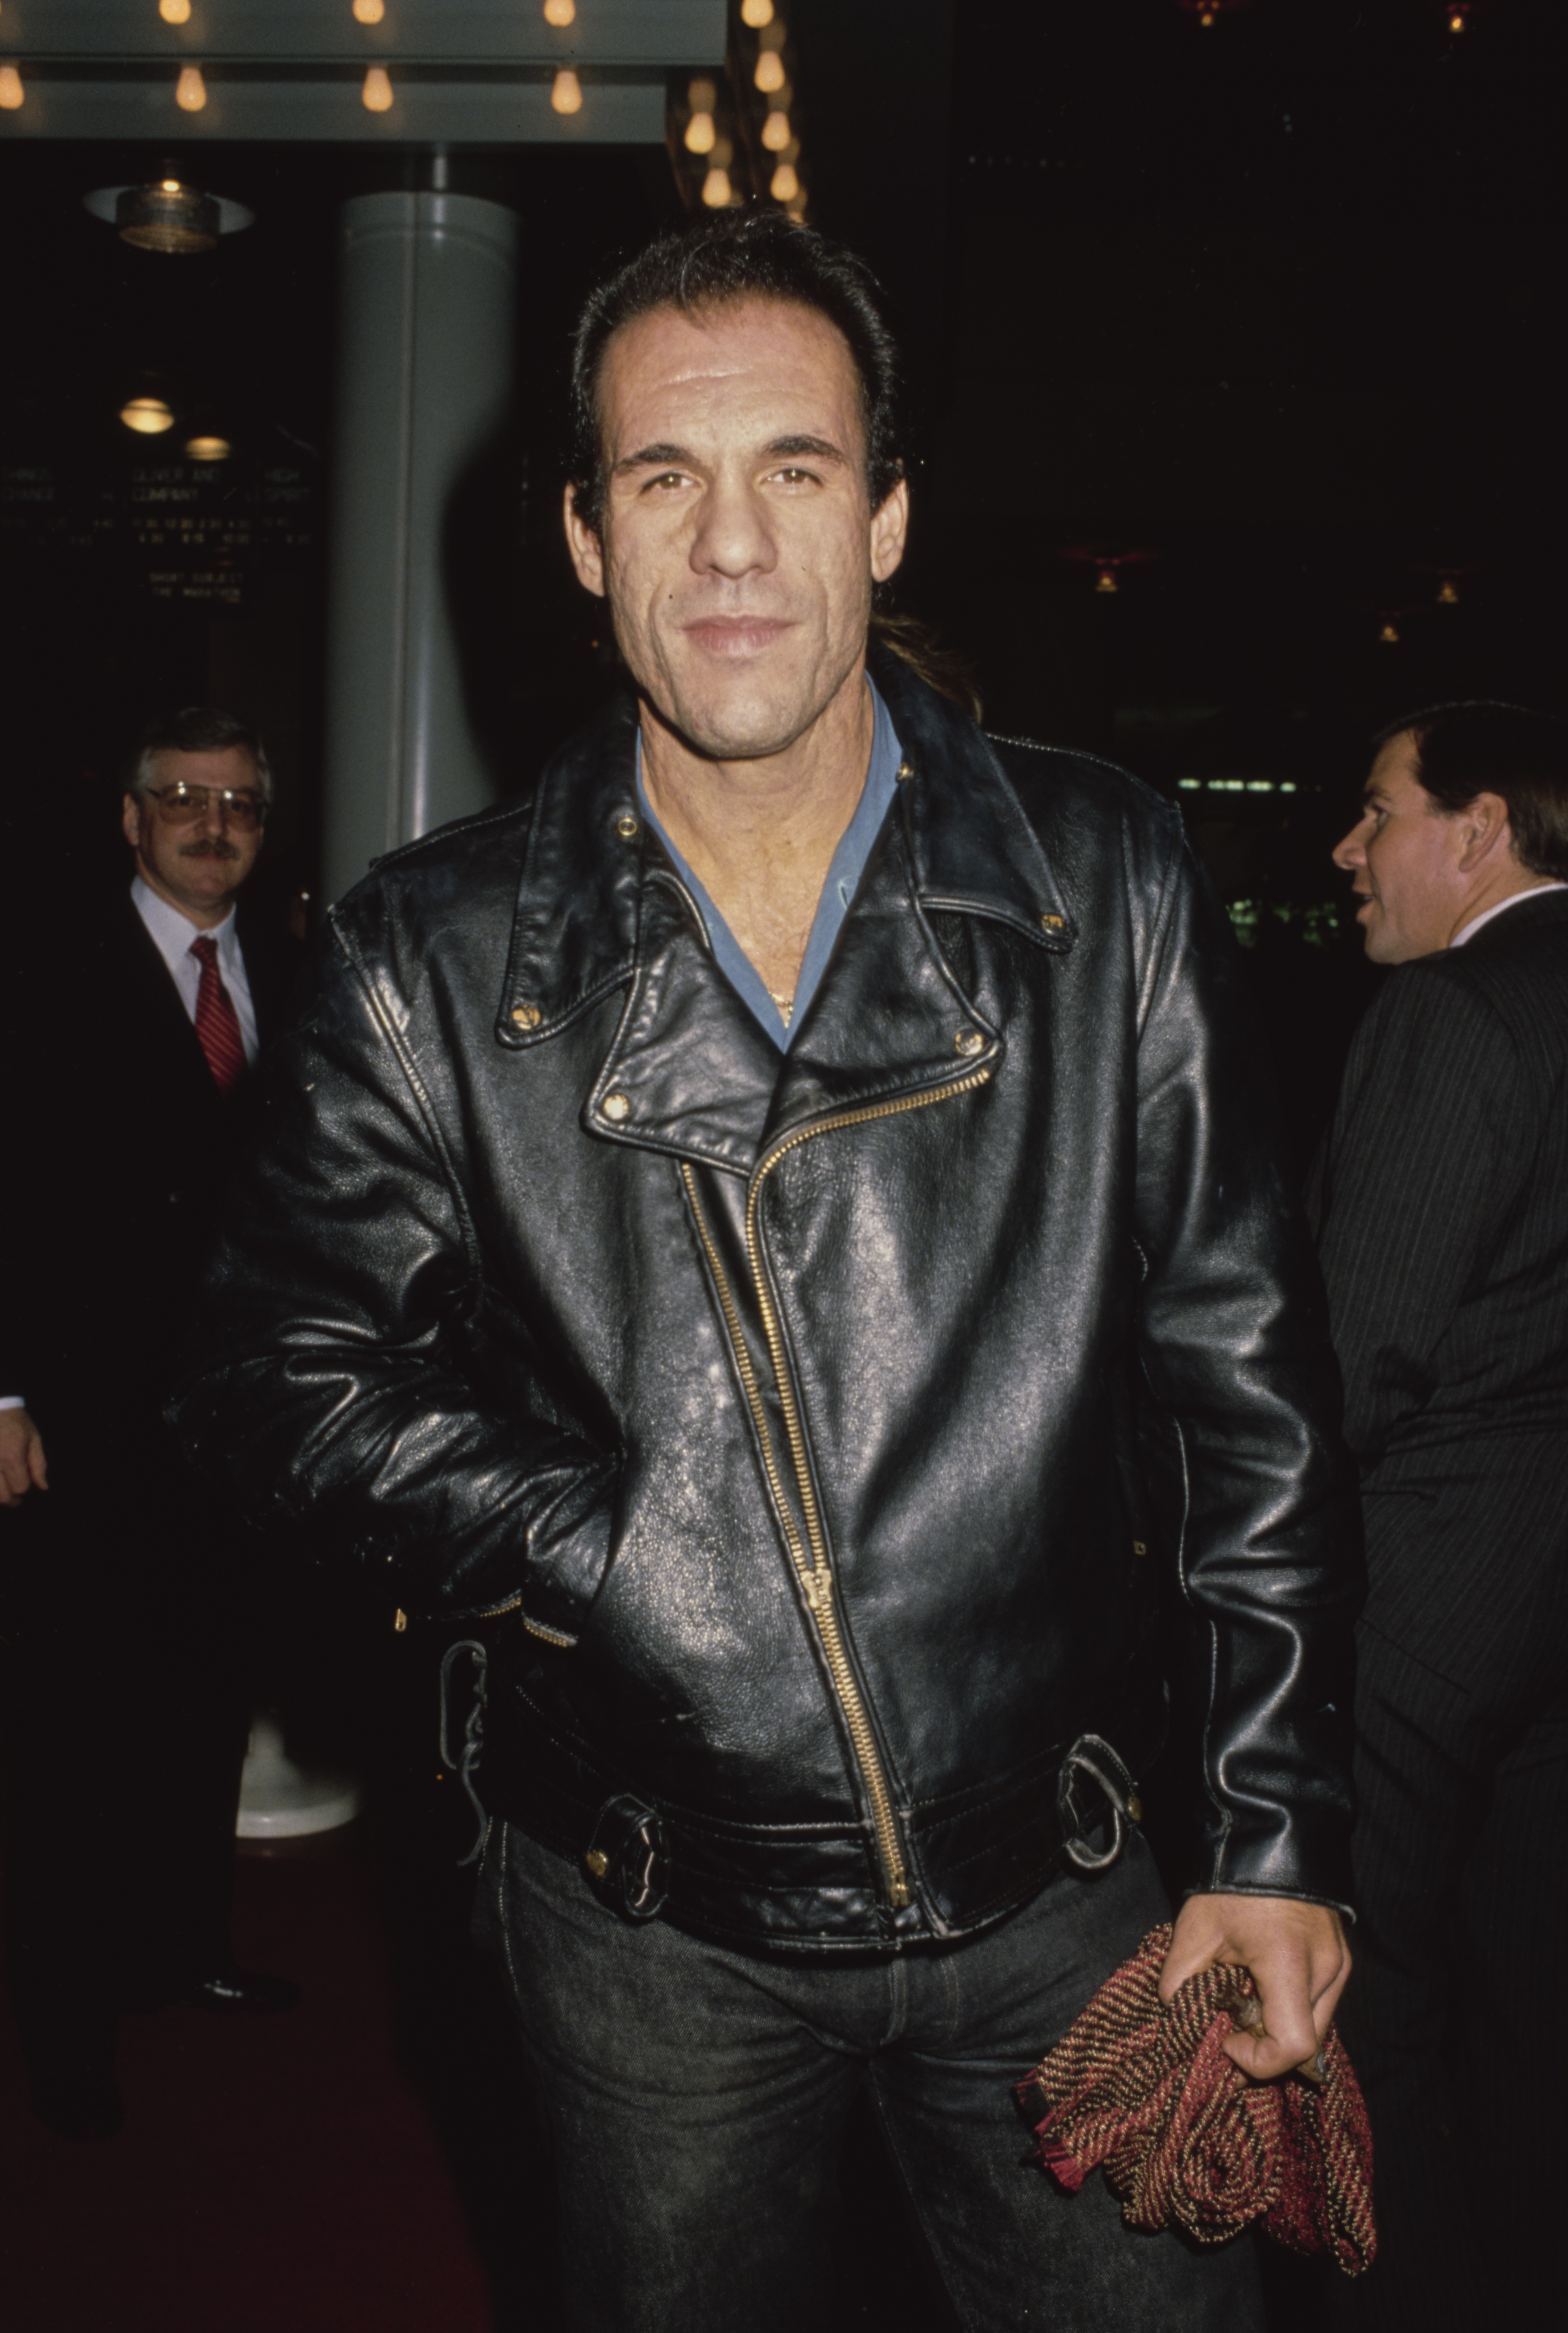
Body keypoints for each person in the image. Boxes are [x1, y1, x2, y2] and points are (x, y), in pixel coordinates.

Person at [173, 215, 1361, 2331]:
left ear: (889, 516)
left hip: (1070, 1891)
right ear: (580, 537)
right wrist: (599, 1542)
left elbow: (1247, 1385)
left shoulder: (1106, 881)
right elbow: (276, 1373)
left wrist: (1271, 1832)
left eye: (795, 470)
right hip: (649, 1926)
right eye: (663, 480)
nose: (730, 542)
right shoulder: (426, 960)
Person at [0, 707, 302, 2144]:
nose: (211, 820)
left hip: (238, 1428)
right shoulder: (44, 970)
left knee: (200, 1703)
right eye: (180, 797)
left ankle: (182, 1950)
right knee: (69, 1735)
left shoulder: (293, 973)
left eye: (238, 800)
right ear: (129, 820)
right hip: (81, 1421)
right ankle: (66, 2040)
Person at [1308, 702, 1568, 2328]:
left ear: (1480, 830)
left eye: (1376, 808)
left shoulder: (1456, 1016)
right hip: (1550, 1604)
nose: (1347, 849)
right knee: (1536, 2006)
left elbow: (1353, 1364)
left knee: (1365, 2004)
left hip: (1422, 1599)